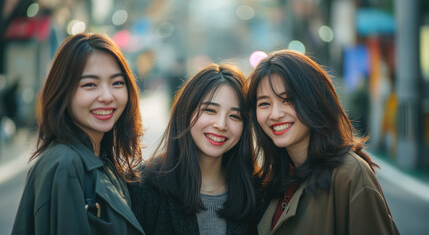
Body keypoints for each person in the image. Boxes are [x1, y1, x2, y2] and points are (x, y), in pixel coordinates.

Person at [247, 49, 399, 235]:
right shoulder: (272, 180)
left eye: (287, 100)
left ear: (313, 100)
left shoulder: (350, 174)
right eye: (264, 104)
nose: (275, 114)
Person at [12, 33, 145, 235]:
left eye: (117, 83)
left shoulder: (100, 161)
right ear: (64, 92)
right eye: (90, 84)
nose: (107, 97)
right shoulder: (65, 165)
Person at [128, 63, 259, 235]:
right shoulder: (142, 186)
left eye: (234, 116)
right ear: (186, 112)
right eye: (210, 110)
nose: (221, 125)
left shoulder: (255, 191)